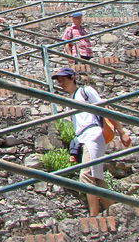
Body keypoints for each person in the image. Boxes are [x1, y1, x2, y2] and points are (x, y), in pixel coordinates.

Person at [51, 67, 131, 216]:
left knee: (85, 175)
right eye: (58, 80)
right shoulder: (71, 99)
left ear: (72, 77)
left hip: (93, 135)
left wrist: (121, 131)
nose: (60, 83)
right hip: (84, 138)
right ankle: (113, 213)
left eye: (63, 79)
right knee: (97, 178)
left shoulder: (86, 91)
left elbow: (104, 108)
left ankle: (93, 216)